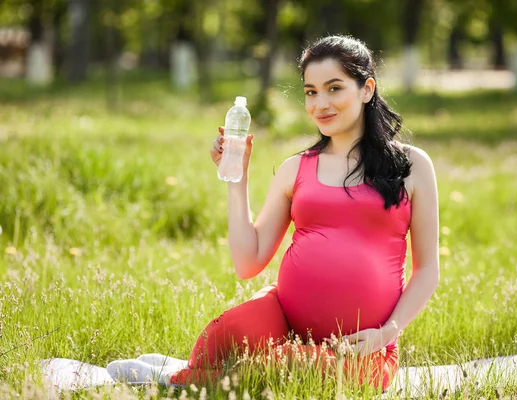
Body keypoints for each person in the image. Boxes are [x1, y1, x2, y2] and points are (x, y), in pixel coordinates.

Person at [107, 35, 439, 392]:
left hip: (364, 349)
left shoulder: (412, 165)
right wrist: (237, 176)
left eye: (334, 88)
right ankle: (189, 373)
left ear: (366, 89)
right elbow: (247, 262)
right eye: (311, 91)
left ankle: (173, 380)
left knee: (280, 368)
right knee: (225, 336)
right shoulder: (296, 168)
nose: (320, 103)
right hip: (285, 318)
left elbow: (427, 270)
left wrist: (388, 333)